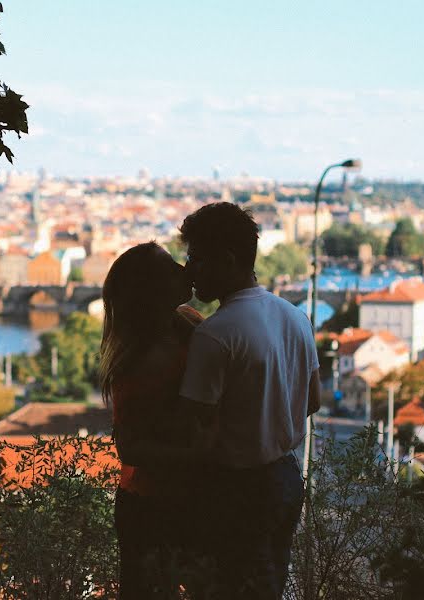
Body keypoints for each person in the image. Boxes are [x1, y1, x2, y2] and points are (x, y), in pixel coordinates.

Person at [178, 202, 321, 599]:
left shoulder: (215, 334)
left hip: (234, 489)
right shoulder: (296, 318)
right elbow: (313, 400)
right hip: (286, 479)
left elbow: (192, 425)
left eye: (196, 259)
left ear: (226, 260)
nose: (190, 271)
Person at [99, 241, 208, 599]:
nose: (183, 269)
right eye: (169, 266)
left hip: (182, 498)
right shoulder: (138, 362)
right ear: (152, 289)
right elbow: (129, 448)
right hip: (150, 505)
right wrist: (203, 456)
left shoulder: (187, 323)